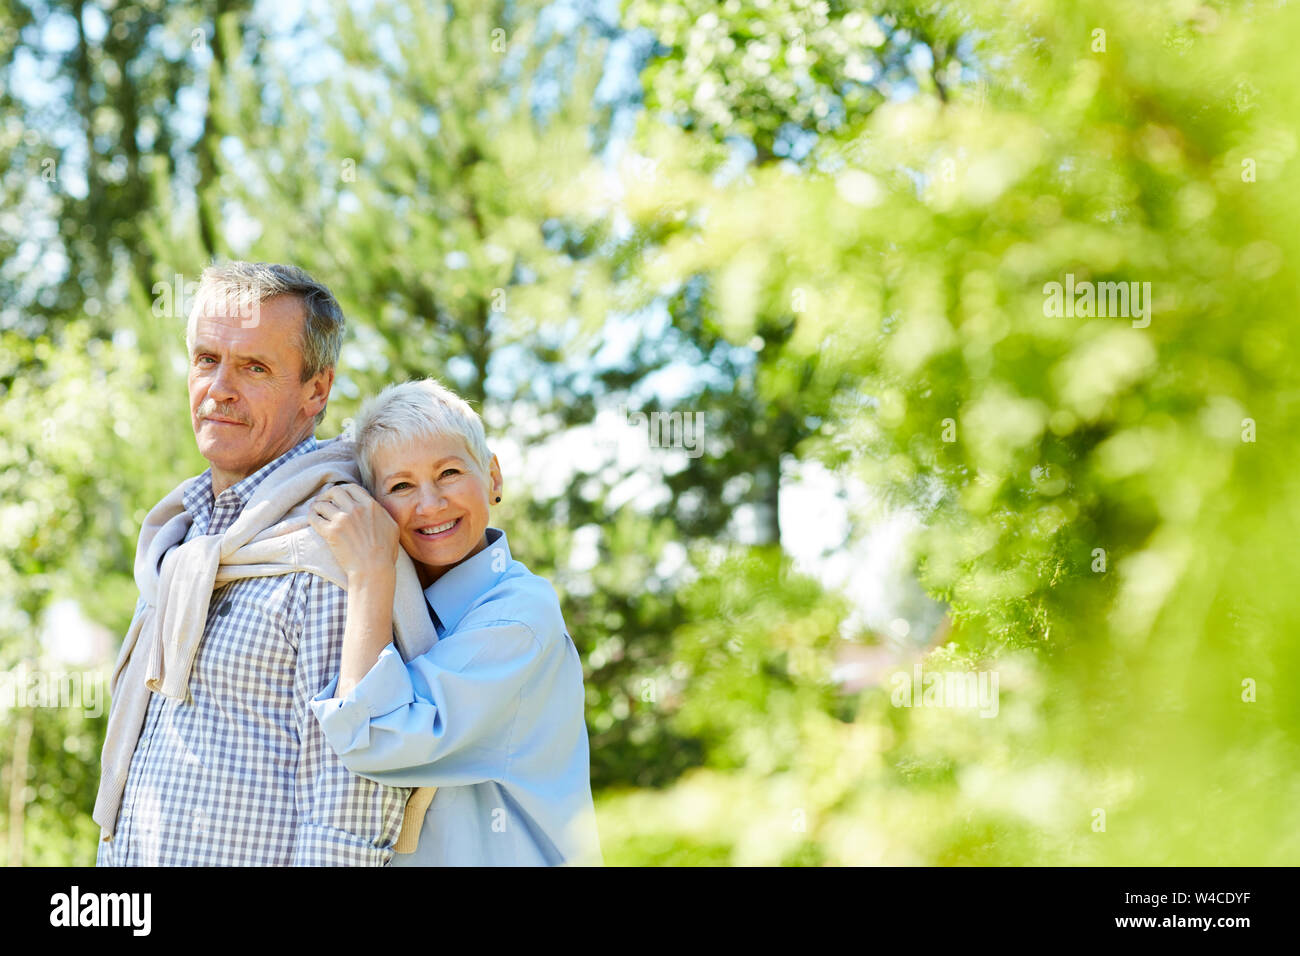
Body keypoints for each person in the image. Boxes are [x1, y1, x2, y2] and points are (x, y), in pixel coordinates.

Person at [94, 261, 436, 866]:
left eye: (254, 367)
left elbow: (351, 814)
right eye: (206, 359)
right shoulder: (186, 540)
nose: (219, 388)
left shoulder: (333, 545)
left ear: (316, 390)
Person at [306, 378, 603, 865]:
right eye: (401, 486)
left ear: (493, 477)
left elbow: (377, 737)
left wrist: (370, 572)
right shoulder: (406, 610)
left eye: (448, 472)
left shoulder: (520, 616)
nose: (430, 503)